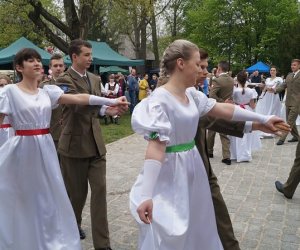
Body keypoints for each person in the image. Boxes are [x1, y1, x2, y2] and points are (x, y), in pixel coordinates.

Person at [129, 39, 286, 250]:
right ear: (181, 63)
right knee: (173, 229)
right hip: (172, 171)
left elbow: (224, 110)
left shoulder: (191, 95)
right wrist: (146, 193)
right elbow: (156, 148)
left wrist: (263, 118)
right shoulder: (159, 101)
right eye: (197, 64)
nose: (203, 71)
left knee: (199, 224)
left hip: (194, 167)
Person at [0, 48, 128, 250]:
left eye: (37, 60)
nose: (36, 63)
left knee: (49, 197)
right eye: (29, 60)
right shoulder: (9, 92)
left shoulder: (47, 93)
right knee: (23, 197)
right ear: (18, 67)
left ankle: (46, 239)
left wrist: (111, 101)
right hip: (21, 150)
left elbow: (80, 99)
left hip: (45, 149)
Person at [56, 39, 128, 250]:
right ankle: (70, 232)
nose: (90, 58)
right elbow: (78, 104)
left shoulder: (95, 78)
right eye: (86, 55)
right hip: (74, 147)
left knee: (100, 192)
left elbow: (95, 109)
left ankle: (102, 245)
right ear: (74, 57)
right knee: (76, 197)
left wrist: (109, 111)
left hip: (96, 145)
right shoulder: (63, 79)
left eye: (91, 54)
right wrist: (109, 104)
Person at [229, 71, 261, 162]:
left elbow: (231, 101)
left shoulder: (234, 91)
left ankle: (235, 154)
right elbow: (252, 105)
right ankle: (245, 153)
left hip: (236, 110)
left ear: (237, 80)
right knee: (247, 132)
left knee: (235, 132)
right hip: (247, 111)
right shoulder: (251, 91)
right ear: (246, 79)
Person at [207, 61, 234, 165]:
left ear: (219, 68)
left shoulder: (217, 80)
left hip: (217, 108)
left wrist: (222, 101)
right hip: (227, 109)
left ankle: (209, 152)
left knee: (211, 131)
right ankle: (226, 156)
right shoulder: (231, 80)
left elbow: (211, 95)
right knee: (224, 133)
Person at [39, 54, 65, 149]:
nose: (58, 68)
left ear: (64, 67)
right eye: (55, 66)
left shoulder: (72, 84)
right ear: (50, 67)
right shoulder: (43, 86)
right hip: (53, 130)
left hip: (72, 131)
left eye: (60, 65)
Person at [275, 59, 300, 145]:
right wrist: (275, 90)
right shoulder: (289, 75)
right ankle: (296, 137)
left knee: (289, 122)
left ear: (299, 66)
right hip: (288, 102)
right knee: (290, 121)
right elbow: (284, 85)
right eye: (292, 65)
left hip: (297, 103)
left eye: (295, 65)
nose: (292, 66)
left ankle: (282, 138)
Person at [255, 66, 283, 138]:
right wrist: (261, 95)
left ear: (276, 71)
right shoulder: (267, 79)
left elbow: (277, 88)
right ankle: (266, 127)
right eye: (271, 70)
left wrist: (271, 88)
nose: (272, 71)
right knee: (266, 110)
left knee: (273, 111)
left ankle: (274, 128)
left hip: (274, 96)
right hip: (267, 96)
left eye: (274, 70)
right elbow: (265, 88)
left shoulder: (279, 79)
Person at [0, 74, 14, 147]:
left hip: (11, 132)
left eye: (6, 85)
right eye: (1, 85)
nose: (4, 87)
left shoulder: (14, 100)